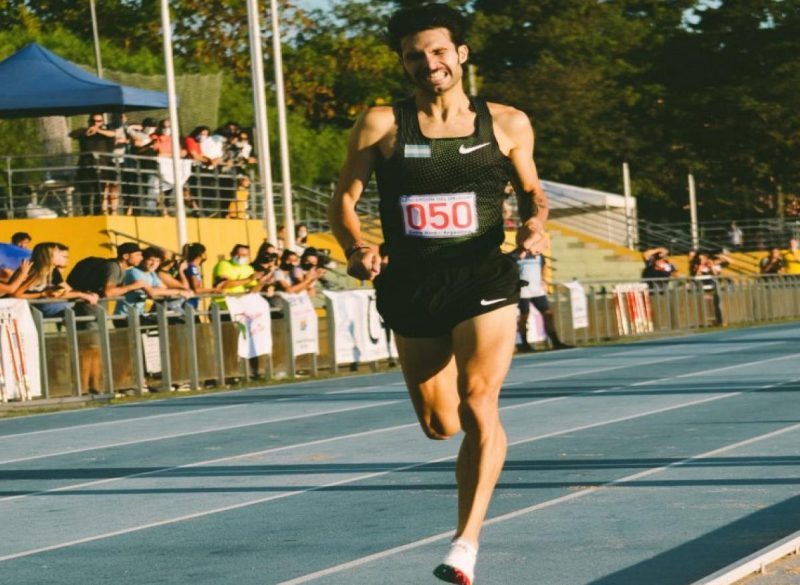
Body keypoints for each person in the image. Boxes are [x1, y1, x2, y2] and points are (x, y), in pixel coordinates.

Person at [327, 5, 549, 584]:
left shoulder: (507, 122)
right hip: (412, 282)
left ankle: (465, 543)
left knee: (479, 401)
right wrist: (356, 247)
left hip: (483, 275)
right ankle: (466, 454)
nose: (429, 63)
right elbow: (344, 200)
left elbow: (533, 192)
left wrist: (534, 223)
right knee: (440, 424)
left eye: (439, 51)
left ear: (461, 54)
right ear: (403, 63)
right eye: (415, 55)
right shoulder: (381, 124)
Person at [515, 252, 571, 352]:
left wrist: (543, 280)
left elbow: (543, 267)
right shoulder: (515, 255)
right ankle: (524, 344)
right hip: (523, 292)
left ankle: (555, 342)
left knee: (548, 315)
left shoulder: (539, 256)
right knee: (524, 317)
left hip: (537, 291)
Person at [70, 113, 117, 215]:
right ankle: (86, 212)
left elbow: (113, 134)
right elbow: (72, 134)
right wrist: (86, 131)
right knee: (86, 192)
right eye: (93, 121)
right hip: (85, 166)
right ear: (89, 121)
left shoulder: (105, 133)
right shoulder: (83, 132)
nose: (95, 123)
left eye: (98, 121)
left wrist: (98, 130)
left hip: (102, 167)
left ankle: (97, 213)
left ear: (102, 122)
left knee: (99, 192)